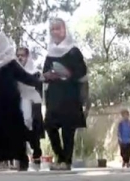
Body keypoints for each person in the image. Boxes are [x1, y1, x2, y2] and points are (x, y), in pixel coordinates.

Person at [0, 30, 42, 172]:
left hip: (10, 104)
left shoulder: (10, 61)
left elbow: (24, 77)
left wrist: (40, 80)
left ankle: (22, 160)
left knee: (15, 132)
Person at [42, 18, 88, 171]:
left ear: (65, 30)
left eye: (58, 28)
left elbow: (82, 72)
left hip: (70, 95)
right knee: (49, 125)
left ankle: (66, 161)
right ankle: (60, 156)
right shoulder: (50, 53)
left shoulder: (73, 51)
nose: (55, 32)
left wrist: (68, 73)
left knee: (68, 129)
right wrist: (48, 75)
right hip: (54, 95)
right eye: (52, 29)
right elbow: (44, 73)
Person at [16, 47, 44, 170]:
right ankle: (23, 158)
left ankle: (36, 152)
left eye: (22, 55)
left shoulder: (35, 73)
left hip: (33, 102)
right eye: (18, 55)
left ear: (27, 57)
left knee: (33, 129)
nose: (20, 58)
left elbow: (38, 88)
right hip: (20, 102)